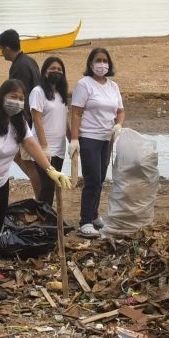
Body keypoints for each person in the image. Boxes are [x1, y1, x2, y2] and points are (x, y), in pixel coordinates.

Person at [0, 79, 71, 302]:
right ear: (1, 97)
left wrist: (50, 170)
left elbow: (31, 145)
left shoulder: (18, 121)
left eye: (21, 98)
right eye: (12, 97)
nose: (16, 102)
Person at [69, 48, 125, 237]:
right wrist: (74, 139)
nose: (102, 64)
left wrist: (119, 125)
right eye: (98, 60)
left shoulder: (113, 86)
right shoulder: (84, 84)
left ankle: (94, 215)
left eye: (105, 60)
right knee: (92, 179)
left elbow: (120, 111)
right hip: (89, 137)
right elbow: (76, 112)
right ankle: (85, 221)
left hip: (106, 139)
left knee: (100, 179)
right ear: (91, 63)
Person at [0, 29, 44, 198]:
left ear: (8, 48)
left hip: (26, 119)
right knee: (21, 157)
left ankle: (40, 198)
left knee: (27, 161)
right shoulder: (29, 61)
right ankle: (41, 194)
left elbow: (19, 95)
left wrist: (18, 121)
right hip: (32, 116)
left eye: (1, 48)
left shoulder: (18, 67)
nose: (1, 52)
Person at [30, 57, 69, 205]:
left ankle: (47, 215)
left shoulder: (60, 95)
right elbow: (37, 120)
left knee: (52, 186)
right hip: (43, 148)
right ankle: (43, 216)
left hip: (59, 149)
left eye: (59, 69)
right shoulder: (38, 92)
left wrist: (73, 141)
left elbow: (64, 121)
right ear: (45, 72)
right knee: (46, 187)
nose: (56, 72)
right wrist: (44, 148)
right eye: (52, 69)